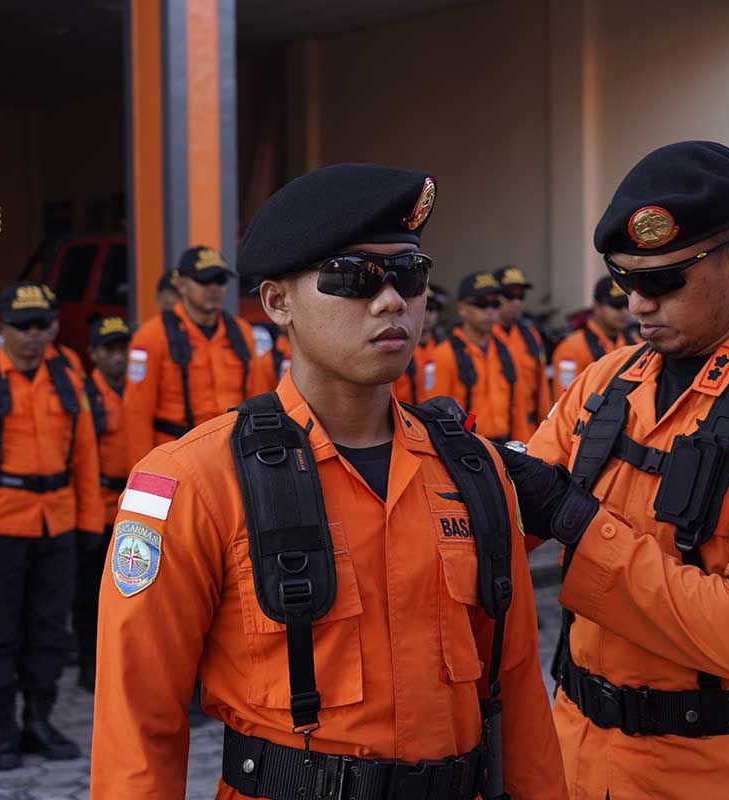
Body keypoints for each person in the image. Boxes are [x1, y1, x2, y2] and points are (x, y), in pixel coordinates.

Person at [90, 164, 566, 799]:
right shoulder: (193, 481)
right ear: (277, 302)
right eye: (352, 278)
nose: (392, 300)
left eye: (409, 275)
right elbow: (137, 719)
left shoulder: (475, 470)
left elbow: (517, 692)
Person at [509, 140, 729, 798]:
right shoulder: (607, 382)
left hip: (711, 768)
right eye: (624, 281)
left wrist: (580, 524)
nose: (637, 303)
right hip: (579, 754)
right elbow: (509, 520)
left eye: (661, 281)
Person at [0, 281, 102, 770]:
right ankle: (4, 730)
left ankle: (38, 720)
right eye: (23, 326)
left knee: (50, 630)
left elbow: (86, 455)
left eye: (43, 324)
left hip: (58, 526)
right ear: (0, 327)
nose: (34, 335)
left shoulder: (68, 376)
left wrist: (91, 522)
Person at [122, 246, 265, 465]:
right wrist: (143, 474)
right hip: (176, 457)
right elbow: (137, 413)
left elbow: (257, 399)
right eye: (204, 281)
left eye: (220, 281)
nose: (214, 288)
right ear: (181, 285)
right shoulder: (151, 336)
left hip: (233, 455)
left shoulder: (242, 332)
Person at [73, 314, 131, 692]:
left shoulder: (138, 390)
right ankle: (89, 666)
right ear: (94, 354)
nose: (119, 357)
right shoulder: (85, 397)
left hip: (132, 507)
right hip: (100, 506)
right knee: (90, 596)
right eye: (110, 350)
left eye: (123, 348)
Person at [428, 271, 519, 443]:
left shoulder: (506, 350)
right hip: (466, 448)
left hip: (505, 447)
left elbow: (517, 408)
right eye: (481, 304)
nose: (490, 311)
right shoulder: (444, 354)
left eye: (495, 304)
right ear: (462, 308)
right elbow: (436, 416)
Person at [492, 266, 551, 441]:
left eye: (521, 296)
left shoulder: (530, 335)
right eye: (510, 296)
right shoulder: (483, 339)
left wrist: (547, 426)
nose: (516, 302)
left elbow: (542, 388)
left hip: (530, 430)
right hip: (496, 433)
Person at [550, 276, 634, 397]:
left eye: (627, 305)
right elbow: (565, 400)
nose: (625, 312)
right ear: (596, 307)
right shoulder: (571, 349)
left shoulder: (635, 343)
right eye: (617, 306)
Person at [393, 283, 445, 404]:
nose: (426, 315)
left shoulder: (446, 347)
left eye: (431, 309)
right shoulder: (395, 347)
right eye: (424, 308)